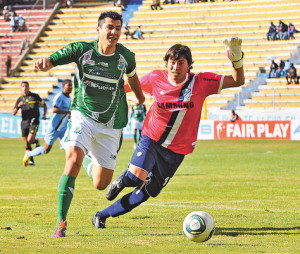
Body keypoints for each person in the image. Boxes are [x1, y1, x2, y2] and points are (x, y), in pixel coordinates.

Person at [92, 37, 245, 229]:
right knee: (135, 177)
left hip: (177, 151)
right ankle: (122, 181)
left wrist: (237, 59)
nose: (175, 67)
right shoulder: (155, 78)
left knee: (145, 193)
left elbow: (238, 80)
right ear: (167, 64)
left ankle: (101, 216)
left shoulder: (202, 81)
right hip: (152, 139)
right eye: (172, 63)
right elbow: (124, 87)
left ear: (189, 65)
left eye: (181, 63)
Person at [34, 11, 145, 238]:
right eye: (109, 27)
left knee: (101, 184)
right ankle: (60, 222)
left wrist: (140, 97)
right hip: (82, 115)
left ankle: (86, 157)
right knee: (72, 159)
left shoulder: (126, 57)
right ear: (99, 30)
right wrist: (47, 62)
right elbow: (56, 57)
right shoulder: (82, 51)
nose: (113, 32)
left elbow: (133, 78)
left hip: (112, 124)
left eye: (117, 28)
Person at [22, 79, 73, 166]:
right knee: (46, 150)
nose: (71, 87)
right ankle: (29, 154)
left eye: (71, 85)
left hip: (63, 128)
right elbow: (54, 109)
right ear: (63, 86)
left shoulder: (69, 98)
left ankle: (70, 165)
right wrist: (67, 112)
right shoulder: (59, 96)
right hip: (54, 127)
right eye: (69, 85)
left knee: (69, 146)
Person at [12, 81, 47, 166]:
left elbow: (44, 105)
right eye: (23, 86)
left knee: (29, 139)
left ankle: (34, 140)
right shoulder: (20, 99)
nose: (25, 88)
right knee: (27, 143)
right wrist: (18, 106)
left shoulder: (35, 96)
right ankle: (31, 160)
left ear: (29, 87)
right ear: (21, 88)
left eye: (26, 86)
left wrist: (44, 114)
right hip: (24, 122)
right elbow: (13, 113)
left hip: (34, 120)